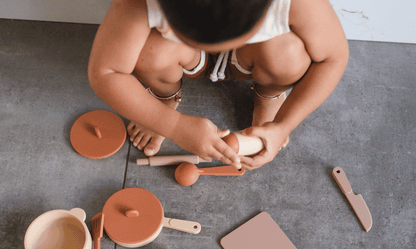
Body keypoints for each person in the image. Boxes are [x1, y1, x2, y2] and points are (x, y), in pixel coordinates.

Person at [88, 0, 348, 170]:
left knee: (288, 55)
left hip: (251, 55)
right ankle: (164, 96)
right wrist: (173, 125)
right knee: (150, 51)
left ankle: (269, 95)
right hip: (184, 55)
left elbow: (334, 56)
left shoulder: (297, 3)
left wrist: (283, 126)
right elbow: (105, 72)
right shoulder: (138, 3)